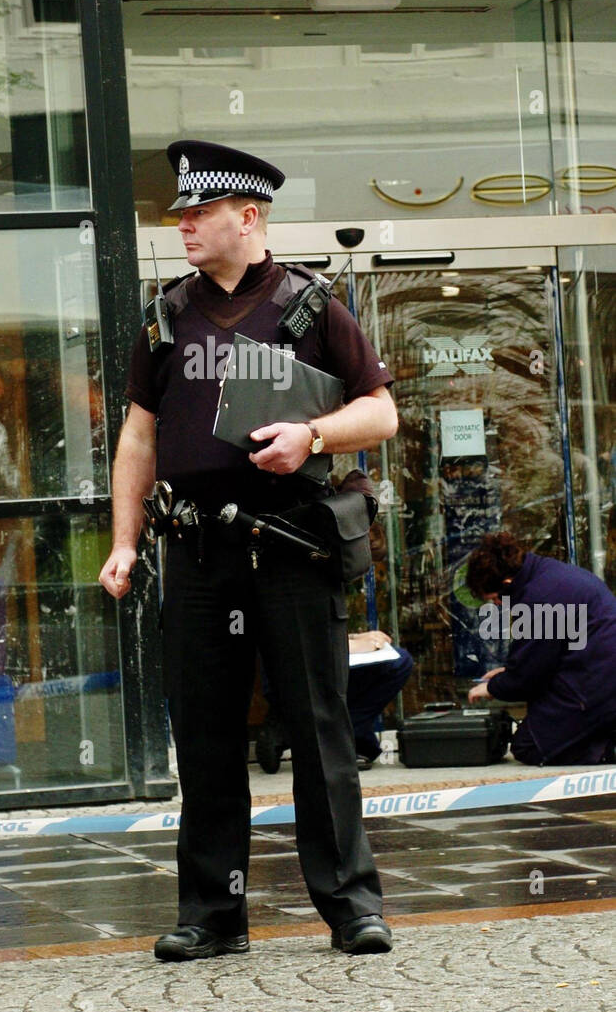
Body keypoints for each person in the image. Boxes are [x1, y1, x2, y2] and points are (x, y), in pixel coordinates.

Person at [99, 139, 398, 960]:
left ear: (249, 217)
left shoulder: (309, 305)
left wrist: (312, 433)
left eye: (200, 213)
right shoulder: (165, 316)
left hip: (291, 547)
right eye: (183, 216)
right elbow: (138, 436)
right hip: (197, 554)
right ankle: (213, 915)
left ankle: (351, 907)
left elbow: (381, 414)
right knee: (205, 737)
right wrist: (126, 543)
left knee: (319, 729)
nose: (186, 226)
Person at [466, 531, 616, 764]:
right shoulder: (548, 575)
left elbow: (528, 677)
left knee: (529, 746)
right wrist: (510, 673)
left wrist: (493, 688)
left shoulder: (539, 599)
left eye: (495, 599)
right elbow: (542, 654)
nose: (497, 605)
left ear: (506, 584)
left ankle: (605, 750)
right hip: (596, 675)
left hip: (594, 688)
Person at [257, 629, 413, 772]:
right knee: (399, 663)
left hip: (291, 677)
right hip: (298, 668)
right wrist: (351, 645)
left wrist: (354, 638)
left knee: (398, 660)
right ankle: (345, 737)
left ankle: (293, 728)